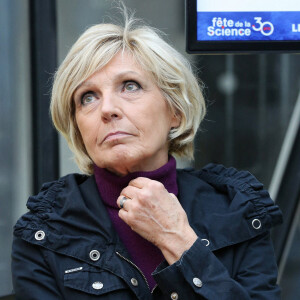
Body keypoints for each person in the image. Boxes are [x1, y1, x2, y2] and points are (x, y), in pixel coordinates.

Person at [12, 11, 282, 300]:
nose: (107, 109)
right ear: (78, 127)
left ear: (175, 111)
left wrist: (178, 241)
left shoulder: (237, 210)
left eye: (130, 86)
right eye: (87, 97)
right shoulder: (45, 232)